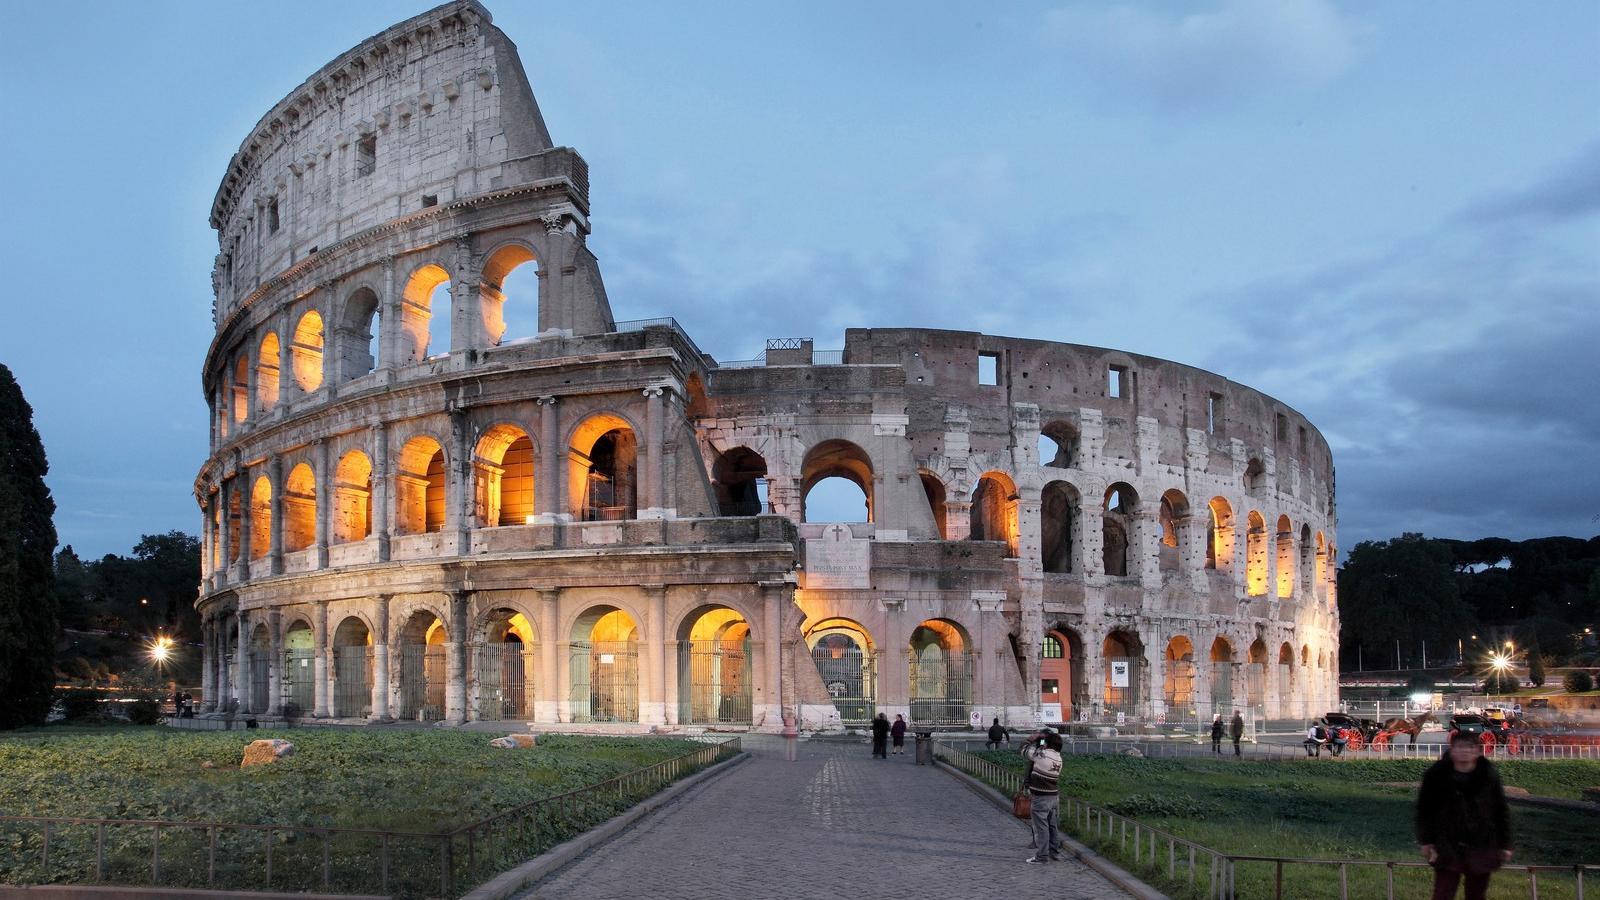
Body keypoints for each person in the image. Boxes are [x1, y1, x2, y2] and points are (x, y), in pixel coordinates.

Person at [1416, 730, 1513, 900]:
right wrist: (1426, 840)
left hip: (1481, 843)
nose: (1465, 751)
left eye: (1470, 747)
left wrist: (1505, 844)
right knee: (1442, 893)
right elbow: (1424, 809)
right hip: (1446, 843)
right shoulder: (1436, 775)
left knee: (1477, 894)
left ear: (1478, 751)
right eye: (1460, 747)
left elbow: (1500, 810)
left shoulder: (1489, 775)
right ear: (1452, 749)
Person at [1021, 729, 1065, 863]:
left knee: (1042, 828)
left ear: (1047, 744)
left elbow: (1023, 749)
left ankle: (1042, 856)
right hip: (1053, 797)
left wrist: (1032, 738)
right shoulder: (1058, 758)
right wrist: (1042, 741)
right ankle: (1054, 853)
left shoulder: (1042, 755)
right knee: (1052, 826)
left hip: (1041, 797)